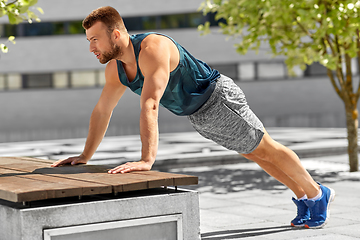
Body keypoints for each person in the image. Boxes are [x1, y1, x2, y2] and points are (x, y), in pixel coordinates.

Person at [51, 6, 335, 229]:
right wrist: (85, 156)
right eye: (89, 41)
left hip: (218, 100)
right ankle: (305, 196)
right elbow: (103, 110)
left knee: (265, 147)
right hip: (199, 114)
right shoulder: (115, 70)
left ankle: (317, 194)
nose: (91, 48)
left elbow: (149, 103)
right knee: (254, 153)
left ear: (116, 34)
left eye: (95, 40)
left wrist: (146, 160)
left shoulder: (152, 49)